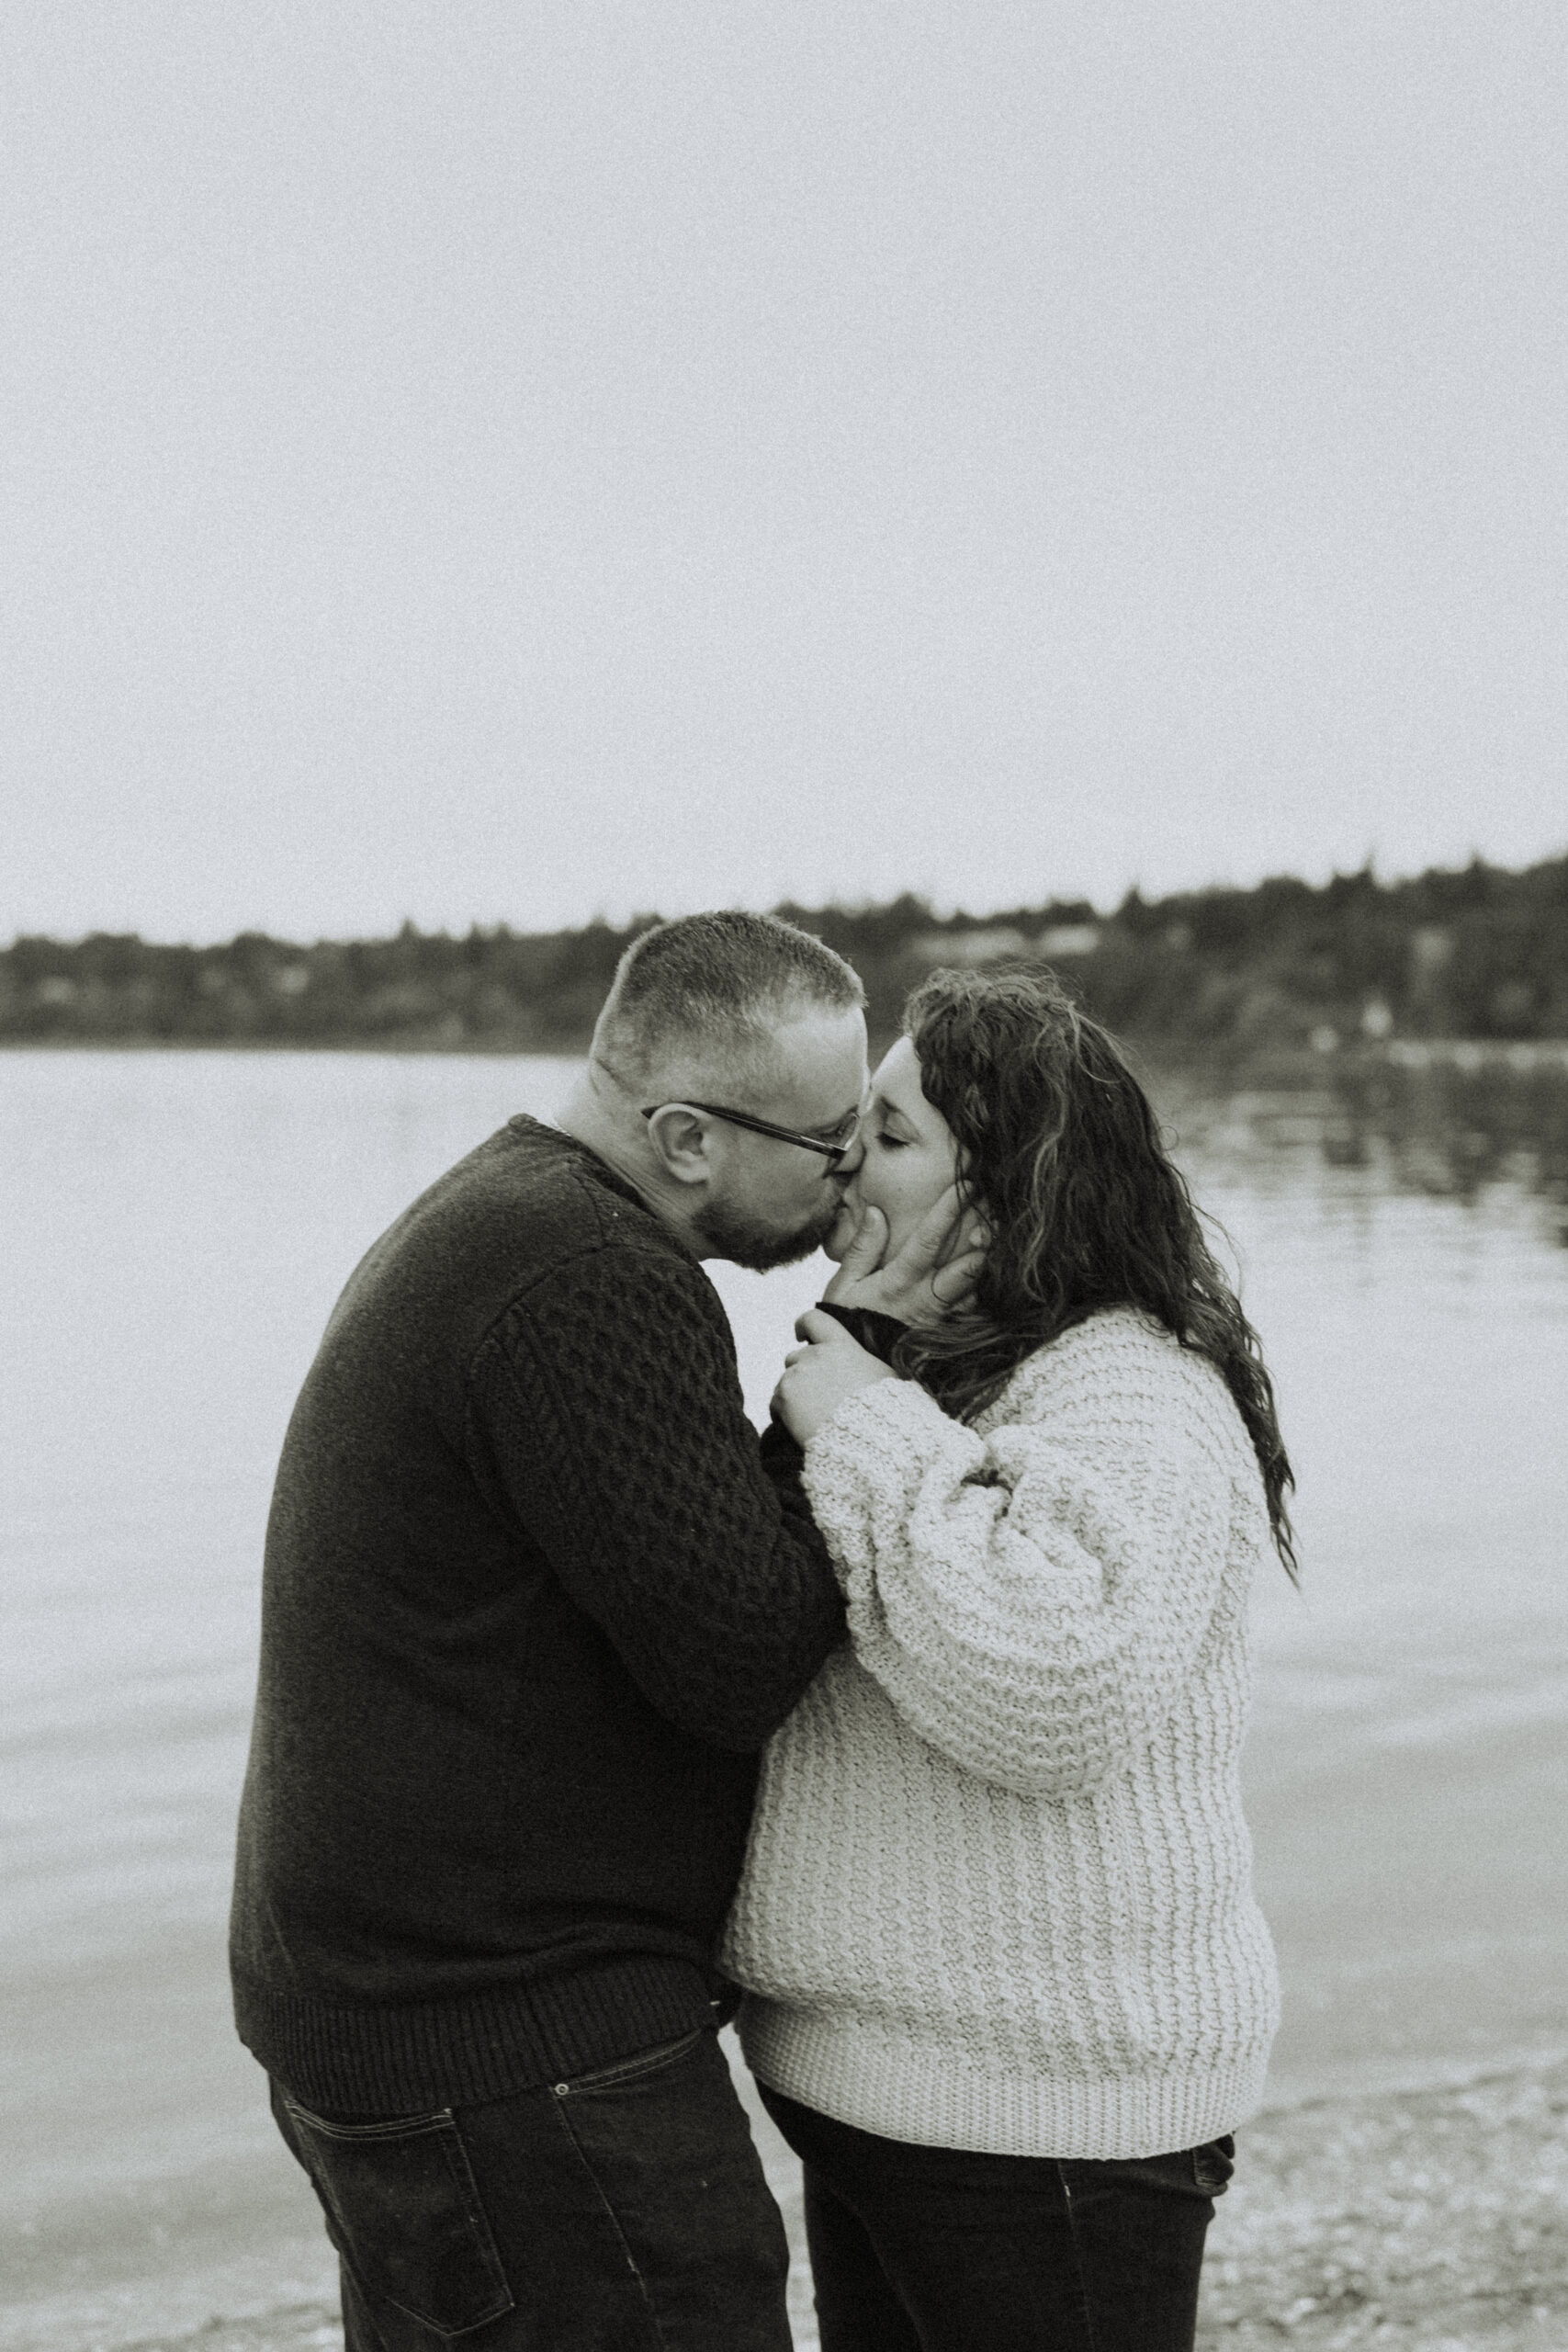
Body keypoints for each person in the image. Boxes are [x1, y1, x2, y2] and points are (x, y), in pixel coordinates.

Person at [230, 910, 979, 2352]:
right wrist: (865, 1358)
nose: (845, 1190)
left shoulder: (504, 1211)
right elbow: (743, 1662)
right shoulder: (593, 1278)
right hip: (510, 2038)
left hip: (393, 2009)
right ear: (688, 1137)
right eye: (829, 1145)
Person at [722, 962, 1294, 2352]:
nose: (849, 1154)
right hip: (881, 2092)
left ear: (1012, 1190)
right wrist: (861, 1363)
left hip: (1048, 2118)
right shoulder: (920, 1371)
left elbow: (1056, 1687)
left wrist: (856, 1412)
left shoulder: (1130, 1382)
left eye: (898, 1134)